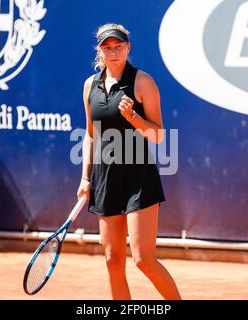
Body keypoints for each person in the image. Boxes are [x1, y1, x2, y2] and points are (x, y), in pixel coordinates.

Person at [77, 23, 181, 299]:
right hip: (104, 179)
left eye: (119, 46)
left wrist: (133, 118)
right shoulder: (90, 86)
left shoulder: (142, 82)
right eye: (107, 47)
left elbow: (158, 136)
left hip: (138, 179)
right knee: (112, 260)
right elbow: (90, 136)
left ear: (128, 47)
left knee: (143, 259)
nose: (113, 52)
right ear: (99, 50)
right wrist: (85, 178)